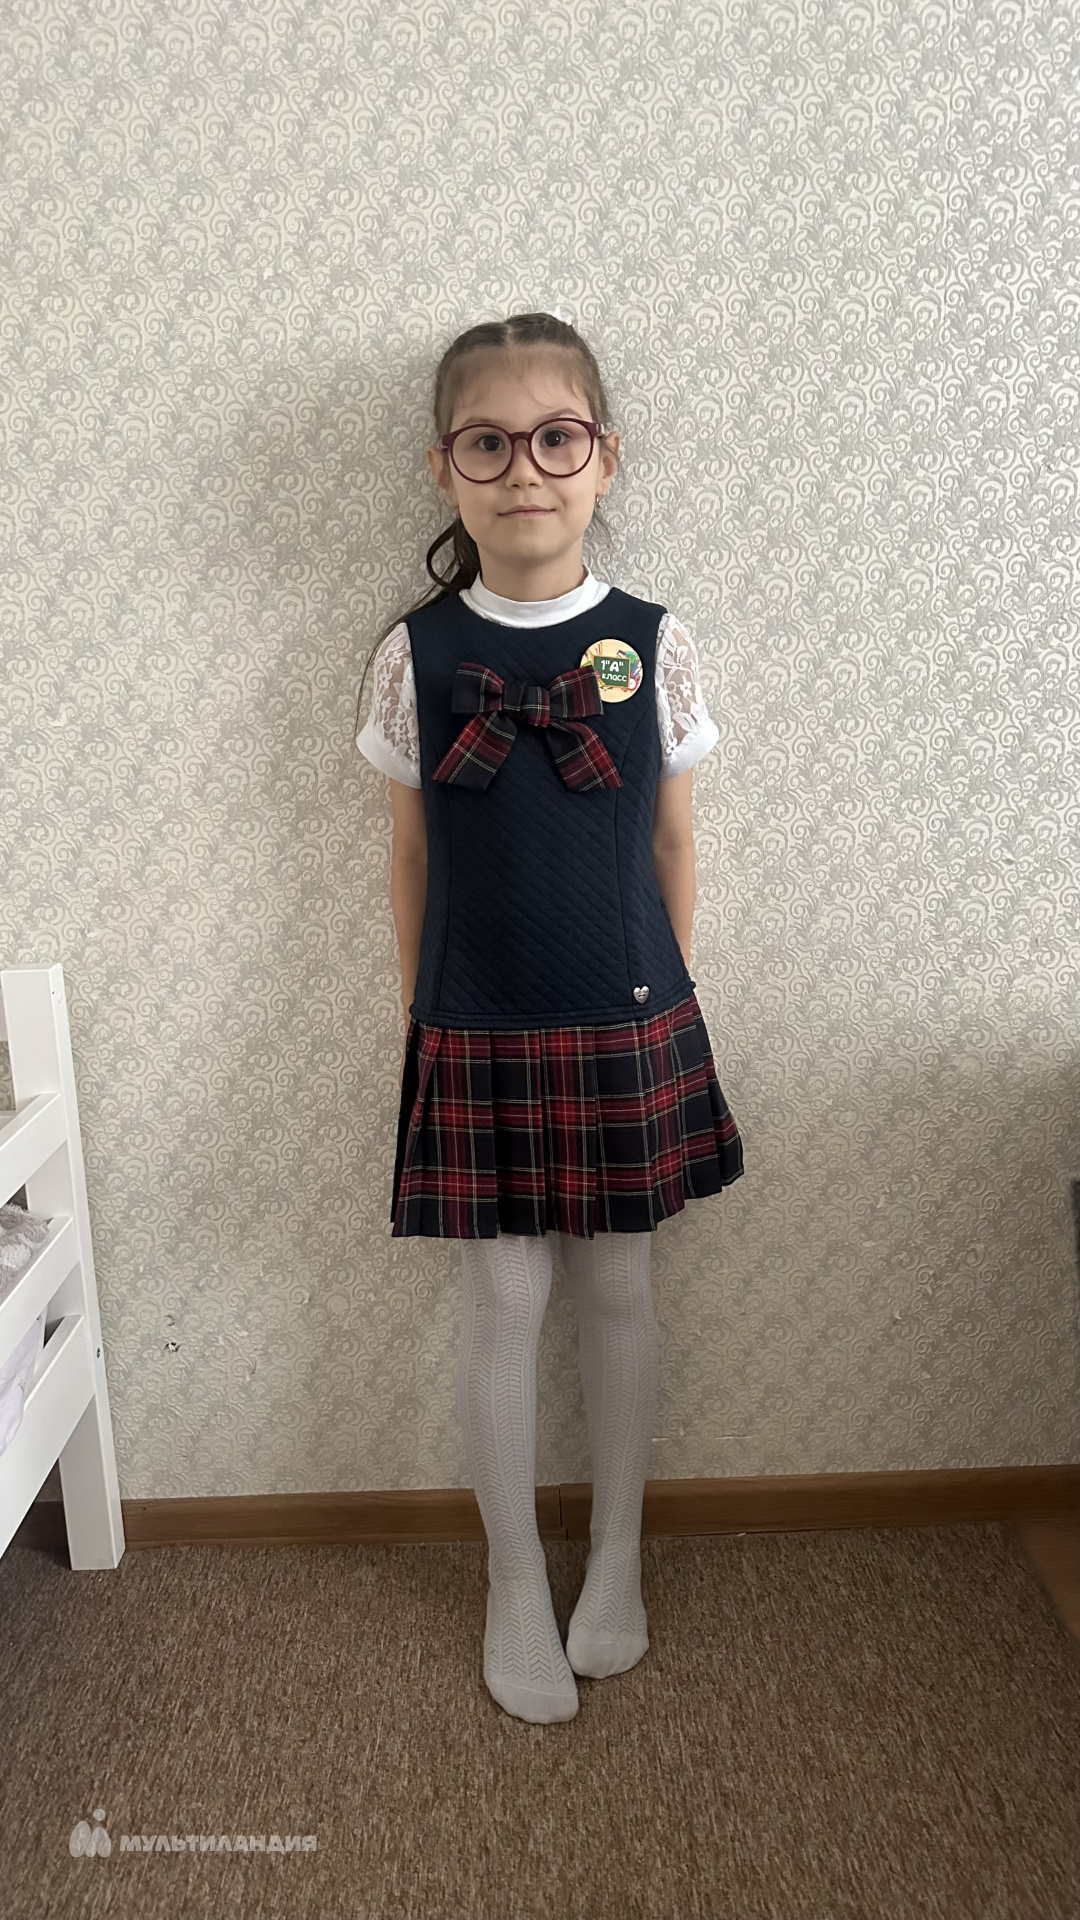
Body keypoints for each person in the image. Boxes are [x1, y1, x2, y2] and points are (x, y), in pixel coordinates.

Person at [354, 309, 744, 1726]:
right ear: (445, 468)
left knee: (620, 1289)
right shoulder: (415, 653)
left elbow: (674, 842)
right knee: (504, 1299)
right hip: (473, 1023)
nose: (525, 468)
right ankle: (514, 1575)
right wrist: (428, 1010)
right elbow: (410, 857)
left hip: (628, 1017)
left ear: (604, 458)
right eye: (489, 443)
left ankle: (618, 1555)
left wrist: (659, 1002)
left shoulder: (653, 641)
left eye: (556, 438)